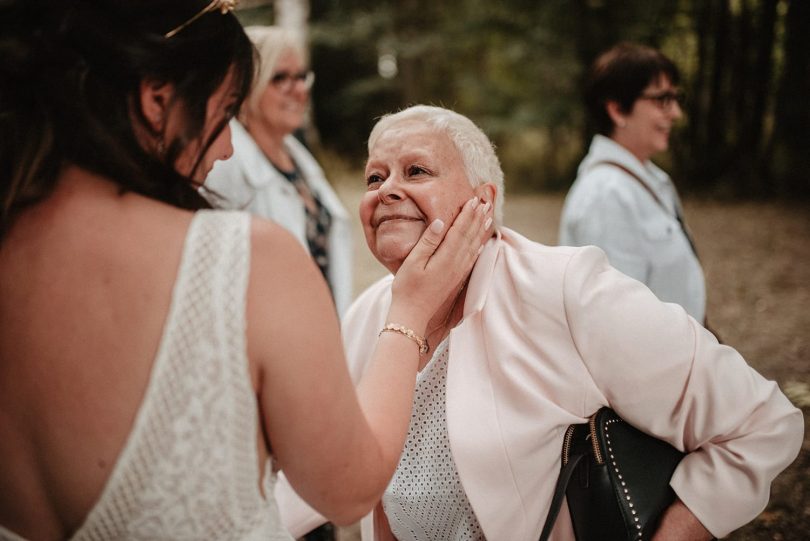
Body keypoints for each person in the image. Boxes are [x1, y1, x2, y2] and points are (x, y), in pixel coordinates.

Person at [0, 3, 492, 539]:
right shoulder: (246, 258)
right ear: (157, 101)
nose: (230, 145)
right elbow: (350, 491)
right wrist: (411, 308)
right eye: (227, 111)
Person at [276, 105, 803, 541]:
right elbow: (314, 480)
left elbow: (761, 421)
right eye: (375, 176)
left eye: (416, 171)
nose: (386, 190)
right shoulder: (367, 316)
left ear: (483, 202)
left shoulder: (566, 290)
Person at [204, 25, 352, 317]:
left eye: (301, 77)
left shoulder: (299, 158)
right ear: (246, 87)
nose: (298, 90)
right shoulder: (223, 164)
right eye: (280, 78)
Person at [559, 43, 706, 323]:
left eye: (676, 98)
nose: (675, 113)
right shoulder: (605, 195)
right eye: (662, 99)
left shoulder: (649, 178)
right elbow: (615, 321)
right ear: (617, 110)